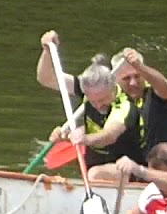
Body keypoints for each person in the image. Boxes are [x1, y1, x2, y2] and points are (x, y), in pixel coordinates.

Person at [37, 31, 143, 183]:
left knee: (95, 173)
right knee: (91, 173)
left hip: (130, 170)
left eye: (103, 99)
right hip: (98, 171)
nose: (99, 105)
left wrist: (83, 139)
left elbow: (109, 135)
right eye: (93, 101)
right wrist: (47, 50)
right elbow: (46, 78)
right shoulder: (88, 88)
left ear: (113, 86)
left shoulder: (125, 105)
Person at [111, 47, 167, 176]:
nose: (133, 83)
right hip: (142, 170)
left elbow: (164, 86)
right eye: (126, 79)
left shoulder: (156, 95)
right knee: (97, 172)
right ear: (116, 80)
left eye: (137, 76)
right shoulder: (116, 103)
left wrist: (139, 66)